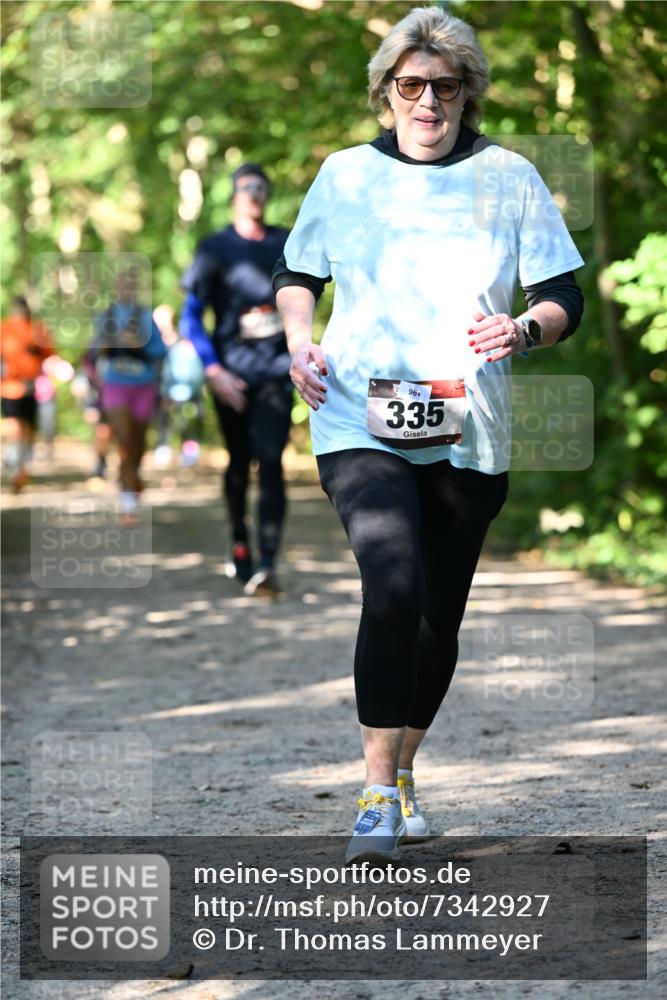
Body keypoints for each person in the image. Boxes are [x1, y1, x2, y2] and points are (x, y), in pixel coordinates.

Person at [273, 5, 585, 863]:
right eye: (409, 85)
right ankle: (375, 792)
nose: (427, 102)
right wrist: (301, 343)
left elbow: (564, 293)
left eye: (444, 87)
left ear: (466, 94)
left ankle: (403, 769)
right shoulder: (341, 176)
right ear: (384, 94)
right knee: (394, 580)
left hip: (468, 423)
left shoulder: (510, 176)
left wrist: (525, 329)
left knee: (437, 619)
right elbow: (297, 272)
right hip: (354, 411)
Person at [180, 163, 293, 596]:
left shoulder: (286, 243)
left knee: (271, 463)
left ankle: (267, 561)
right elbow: (190, 315)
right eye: (246, 188)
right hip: (231, 377)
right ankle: (239, 544)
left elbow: (307, 294)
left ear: (267, 195)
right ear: (234, 196)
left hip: (277, 374)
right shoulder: (214, 248)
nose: (254, 195)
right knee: (238, 463)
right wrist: (213, 369)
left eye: (261, 188)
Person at [90, 268, 166, 521]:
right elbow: (92, 350)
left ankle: (132, 474)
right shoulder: (106, 316)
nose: (126, 288)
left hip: (143, 385)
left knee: (137, 441)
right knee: (123, 440)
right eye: (122, 283)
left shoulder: (146, 316)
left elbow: (161, 351)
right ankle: (127, 500)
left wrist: (138, 345)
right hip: (115, 385)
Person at [1, 295, 55, 492]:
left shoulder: (38, 329)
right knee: (14, 427)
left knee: (28, 430)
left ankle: (22, 466)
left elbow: (50, 355)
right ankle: (15, 465)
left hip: (31, 388)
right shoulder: (4, 329)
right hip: (9, 387)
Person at [152, 304, 205, 469]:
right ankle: (163, 449)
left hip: (187, 391)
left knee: (188, 422)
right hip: (162, 391)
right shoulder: (152, 343)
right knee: (164, 422)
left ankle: (189, 454)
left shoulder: (183, 341)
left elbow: (194, 367)